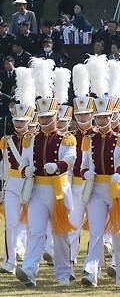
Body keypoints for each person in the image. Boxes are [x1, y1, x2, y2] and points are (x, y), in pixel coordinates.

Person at [15, 61, 77, 286]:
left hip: (58, 189)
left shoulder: (66, 138)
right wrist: (26, 169)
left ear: (55, 117)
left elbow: (70, 159)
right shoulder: (31, 138)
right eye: (41, 118)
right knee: (36, 232)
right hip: (37, 190)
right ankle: (29, 270)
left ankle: (63, 273)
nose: (43, 121)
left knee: (60, 235)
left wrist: (57, 166)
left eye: (47, 117)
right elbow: (22, 162)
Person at [78, 97, 120, 287]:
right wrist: (86, 173)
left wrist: (119, 173)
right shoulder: (89, 138)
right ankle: (91, 272)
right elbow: (83, 166)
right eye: (98, 117)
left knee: (119, 234)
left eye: (105, 117)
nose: (101, 121)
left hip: (116, 189)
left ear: (111, 117)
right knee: (96, 232)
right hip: (96, 190)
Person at [0, 68, 32, 274]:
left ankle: (28, 262)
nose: (19, 124)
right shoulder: (6, 141)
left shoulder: (35, 140)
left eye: (22, 121)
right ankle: (10, 261)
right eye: (16, 121)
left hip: (31, 185)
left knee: (31, 226)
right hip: (12, 184)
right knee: (11, 224)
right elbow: (3, 166)